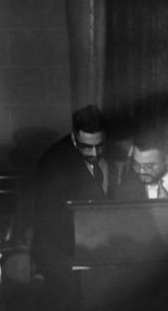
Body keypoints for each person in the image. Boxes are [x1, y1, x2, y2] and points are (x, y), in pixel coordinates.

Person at [32, 105, 114, 289]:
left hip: (100, 255)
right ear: (74, 139)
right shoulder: (52, 165)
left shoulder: (113, 154)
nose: (94, 153)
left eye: (99, 145)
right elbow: (49, 225)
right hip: (63, 257)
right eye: (87, 147)